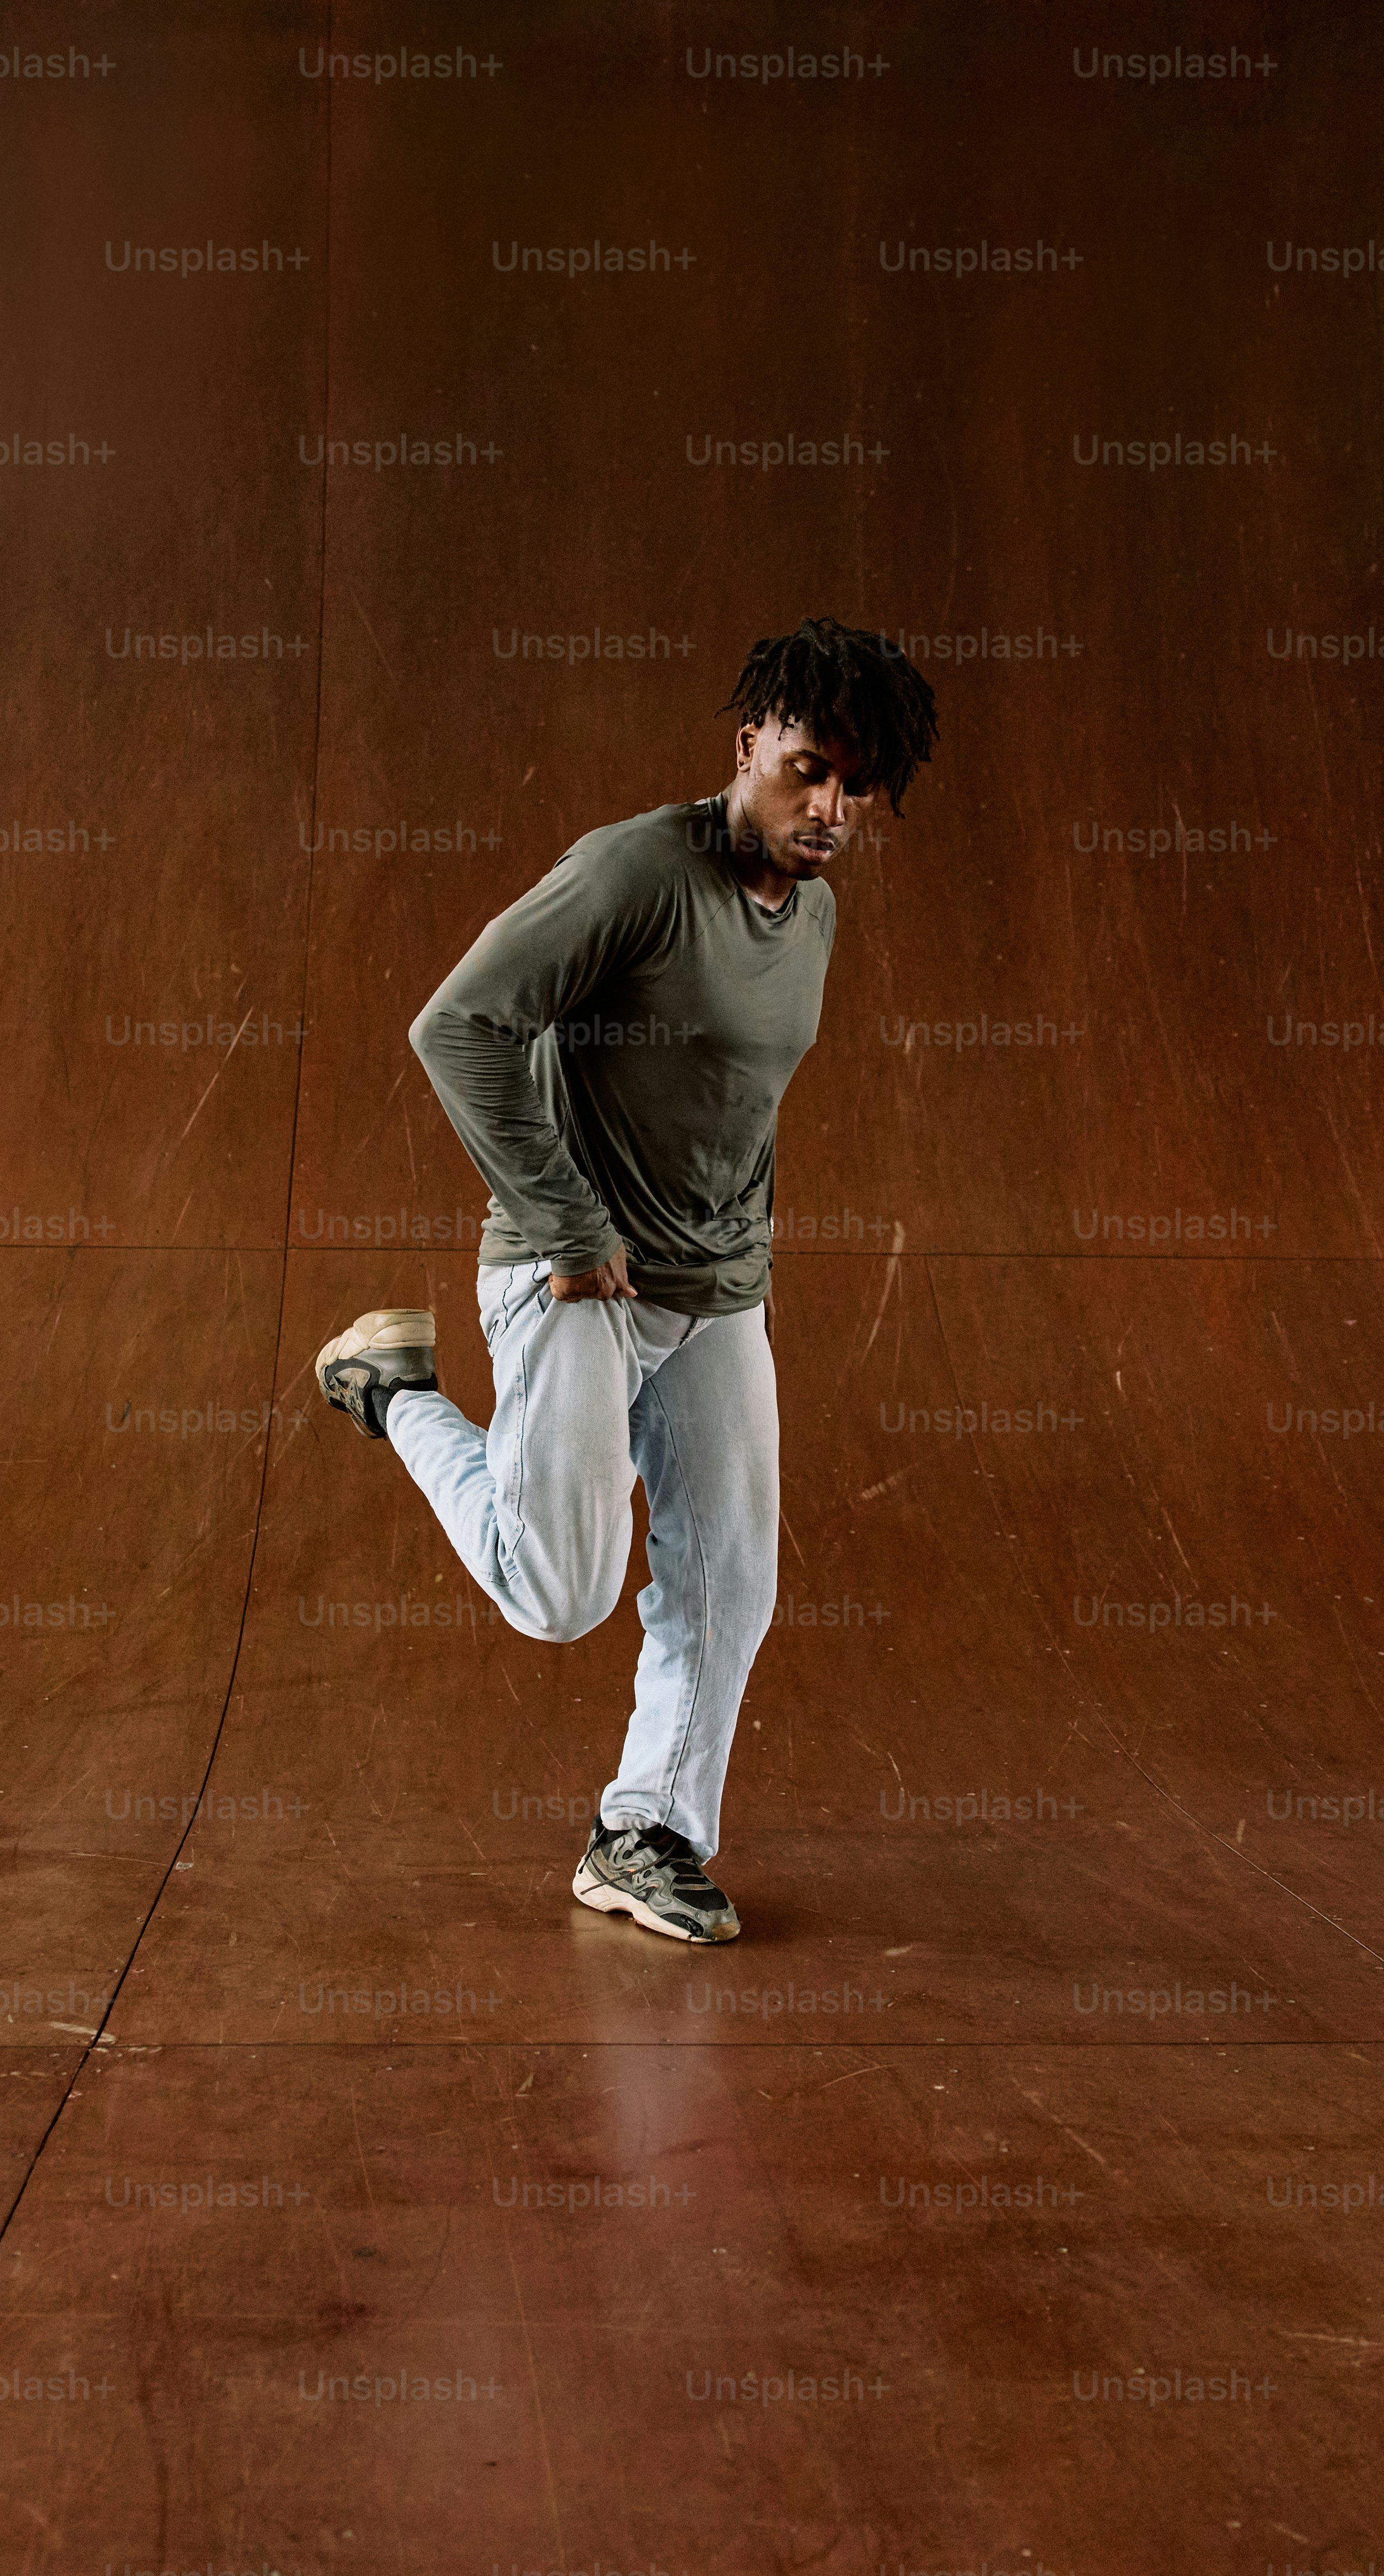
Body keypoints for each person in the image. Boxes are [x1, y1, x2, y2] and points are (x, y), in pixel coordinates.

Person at [309, 618, 940, 1943]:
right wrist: (562, 1216)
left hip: (714, 1292)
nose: (827, 808)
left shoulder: (812, 909)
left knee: (731, 1578)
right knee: (559, 1593)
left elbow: (738, 1103)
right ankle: (392, 1391)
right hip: (575, 1285)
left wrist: (744, 1253)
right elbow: (457, 1025)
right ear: (747, 744)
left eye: (854, 787)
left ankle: (643, 1834)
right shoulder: (636, 871)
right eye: (807, 768)